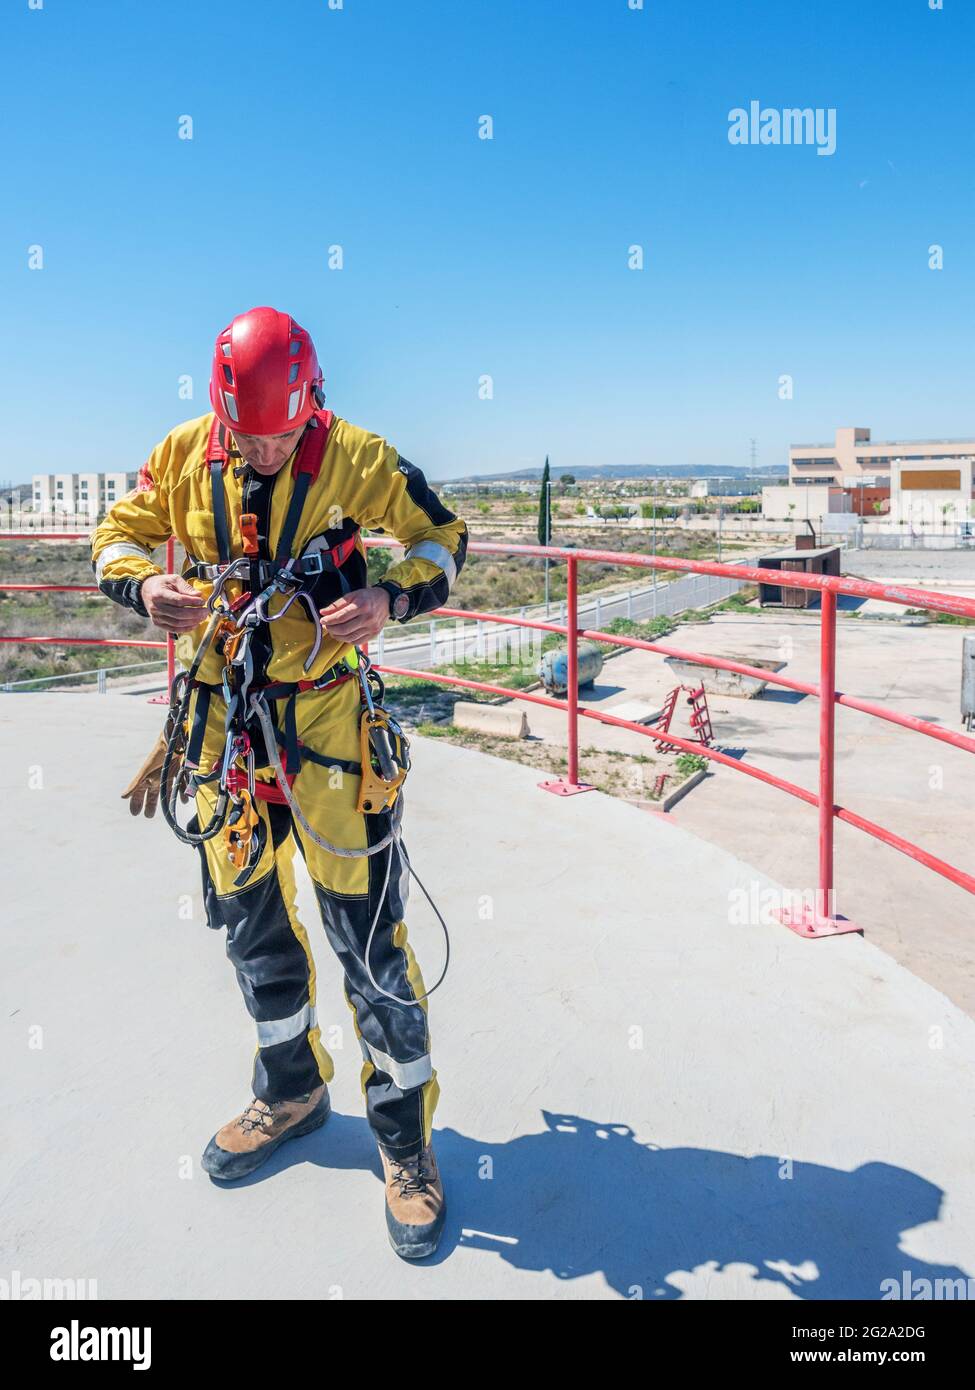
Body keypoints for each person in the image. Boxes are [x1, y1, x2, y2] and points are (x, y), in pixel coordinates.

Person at [92, 306, 468, 1259]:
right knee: (251, 925)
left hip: (330, 731)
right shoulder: (185, 455)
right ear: (222, 415)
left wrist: (391, 595)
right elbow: (116, 533)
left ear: (310, 407)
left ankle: (405, 1146)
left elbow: (443, 539)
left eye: (280, 433)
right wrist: (144, 587)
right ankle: (291, 1090)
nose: (262, 450)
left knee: (367, 939)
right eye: (246, 434)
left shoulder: (356, 458)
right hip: (224, 733)